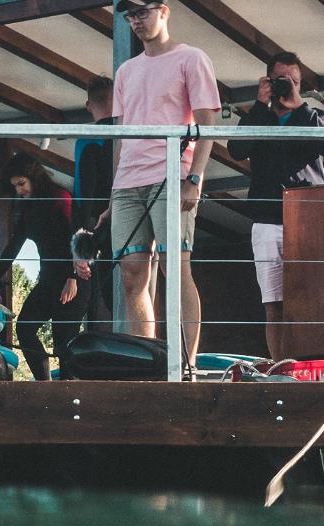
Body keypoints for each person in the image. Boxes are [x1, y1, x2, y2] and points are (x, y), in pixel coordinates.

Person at [111, 0, 220, 365]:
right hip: (128, 181)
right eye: (129, 16)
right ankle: (141, 363)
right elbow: (121, 134)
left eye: (141, 12)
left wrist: (194, 178)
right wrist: (113, 191)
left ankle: (186, 364)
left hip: (172, 175)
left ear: (163, 10)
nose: (135, 21)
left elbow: (208, 122)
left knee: (177, 268)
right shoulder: (126, 70)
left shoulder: (192, 58)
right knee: (131, 275)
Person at [227, 51, 324, 359]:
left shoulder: (314, 116)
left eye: (294, 81)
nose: (287, 86)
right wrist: (261, 105)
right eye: (281, 80)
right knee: (273, 302)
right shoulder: (257, 117)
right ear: (267, 81)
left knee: (311, 297)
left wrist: (298, 104)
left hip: (308, 219)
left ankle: (315, 363)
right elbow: (236, 149)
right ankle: (280, 365)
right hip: (267, 219)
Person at [0, 154, 87, 379]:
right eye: (14, 186)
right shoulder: (28, 210)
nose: (18, 191)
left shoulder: (60, 198)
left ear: (34, 178)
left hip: (74, 279)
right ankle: (43, 383)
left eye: (21, 184)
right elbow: (13, 246)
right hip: (47, 281)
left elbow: (73, 238)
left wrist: (72, 276)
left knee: (63, 342)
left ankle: (68, 395)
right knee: (24, 327)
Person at [72, 78, 116, 331]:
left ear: (89, 105)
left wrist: (80, 250)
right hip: (137, 221)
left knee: (109, 296)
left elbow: (81, 198)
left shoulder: (88, 140)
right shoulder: (135, 134)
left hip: (102, 227)